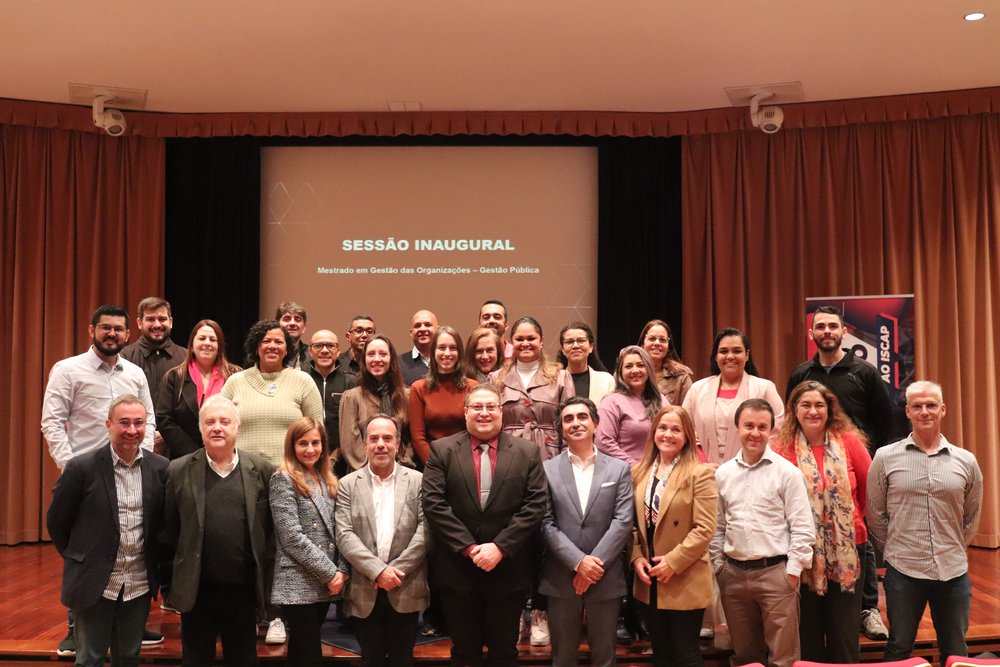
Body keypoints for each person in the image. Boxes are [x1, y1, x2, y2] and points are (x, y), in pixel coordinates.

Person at [40, 304, 159, 656]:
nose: (112, 334)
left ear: (127, 334)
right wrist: (73, 468)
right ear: (91, 330)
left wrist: (145, 460)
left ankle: (126, 622)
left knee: (130, 543)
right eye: (105, 327)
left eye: (119, 329)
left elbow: (148, 420)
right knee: (84, 550)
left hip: (130, 470)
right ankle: (77, 630)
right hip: (87, 479)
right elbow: (52, 421)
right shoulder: (67, 369)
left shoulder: (135, 374)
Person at [784, 305, 892, 641]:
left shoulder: (865, 372)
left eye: (833, 326)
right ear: (811, 333)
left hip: (851, 471)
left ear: (844, 331)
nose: (827, 331)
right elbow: (792, 420)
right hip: (808, 476)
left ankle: (868, 609)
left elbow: (884, 419)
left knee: (864, 546)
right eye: (820, 326)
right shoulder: (802, 374)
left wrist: (859, 462)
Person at [421, 384, 548, 666]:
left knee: (504, 653)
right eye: (477, 407)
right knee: (465, 654)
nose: (484, 413)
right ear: (465, 412)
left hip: (508, 571)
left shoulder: (526, 452)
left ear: (500, 412)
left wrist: (500, 547)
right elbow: (433, 503)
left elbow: (536, 504)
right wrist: (468, 547)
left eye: (491, 406)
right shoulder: (442, 451)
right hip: (458, 572)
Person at [46, 395, 169, 667]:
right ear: (108, 424)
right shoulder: (82, 467)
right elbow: (57, 521)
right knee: (90, 658)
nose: (131, 430)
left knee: (128, 657)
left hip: (137, 582)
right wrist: (80, 556)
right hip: (95, 581)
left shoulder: (160, 469)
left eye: (139, 423)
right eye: (123, 422)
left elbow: (162, 524)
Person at [867, 380, 983, 663]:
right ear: (907, 411)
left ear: (942, 410)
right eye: (917, 406)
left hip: (952, 571)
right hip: (904, 570)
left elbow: (972, 516)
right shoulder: (885, 458)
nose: (925, 411)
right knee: (899, 647)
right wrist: (896, 546)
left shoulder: (966, 461)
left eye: (931, 405)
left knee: (956, 651)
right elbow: (875, 513)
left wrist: (953, 545)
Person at [161, 395, 276, 667]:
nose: (217, 428)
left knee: (243, 660)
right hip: (197, 591)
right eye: (209, 422)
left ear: (237, 428)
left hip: (243, 590)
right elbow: (168, 531)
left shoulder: (261, 470)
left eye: (225, 422)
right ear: (200, 429)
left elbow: (271, 531)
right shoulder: (178, 470)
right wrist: (171, 586)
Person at [709, 399, 815, 667]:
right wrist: (720, 567)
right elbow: (717, 527)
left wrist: (791, 572)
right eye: (748, 425)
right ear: (737, 427)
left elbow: (803, 527)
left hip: (776, 576)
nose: (754, 432)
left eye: (762, 426)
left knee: (783, 659)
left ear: (771, 430)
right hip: (733, 577)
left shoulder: (787, 473)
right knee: (745, 658)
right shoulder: (723, 474)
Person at [771, 381, 871, 662]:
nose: (813, 411)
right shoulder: (781, 449)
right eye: (806, 405)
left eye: (819, 405)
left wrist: (848, 523)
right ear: (794, 409)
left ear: (829, 409)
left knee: (844, 633)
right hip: (802, 553)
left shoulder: (850, 442)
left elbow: (869, 489)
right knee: (808, 632)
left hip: (848, 550)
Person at [540, 397, 633, 667]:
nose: (575, 423)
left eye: (582, 417)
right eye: (568, 419)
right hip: (561, 577)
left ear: (596, 424)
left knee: (605, 659)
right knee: (563, 659)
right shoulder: (546, 470)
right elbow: (544, 522)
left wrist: (592, 568)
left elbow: (623, 521)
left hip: (606, 577)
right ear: (561, 429)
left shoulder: (619, 469)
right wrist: (578, 563)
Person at [336, 414, 429, 667]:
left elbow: (426, 530)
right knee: (371, 659)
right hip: (365, 590)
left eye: (387, 438)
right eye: (374, 438)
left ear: (398, 444)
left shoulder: (418, 481)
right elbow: (344, 534)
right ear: (364, 444)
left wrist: (396, 572)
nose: (380, 444)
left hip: (406, 585)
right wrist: (378, 572)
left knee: (403, 660)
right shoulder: (347, 485)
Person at [631, 406, 717, 667]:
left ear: (687, 436)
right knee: (662, 654)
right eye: (663, 428)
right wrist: (636, 558)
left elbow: (704, 529)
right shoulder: (639, 472)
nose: (668, 434)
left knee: (686, 654)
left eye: (676, 429)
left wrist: (673, 562)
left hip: (684, 574)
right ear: (654, 432)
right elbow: (632, 524)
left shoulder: (699, 473)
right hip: (650, 578)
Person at [270, 418, 349, 667]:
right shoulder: (283, 479)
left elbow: (341, 531)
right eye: (303, 443)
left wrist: (343, 572)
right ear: (291, 446)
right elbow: (291, 537)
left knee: (301, 653)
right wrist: (330, 573)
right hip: (299, 581)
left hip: (325, 584)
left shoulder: (328, 480)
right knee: (310, 653)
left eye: (315, 443)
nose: (310, 449)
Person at [220, 319, 324, 466]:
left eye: (279, 342)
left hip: (291, 474)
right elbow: (219, 427)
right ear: (256, 347)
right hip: (242, 473)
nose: (272, 346)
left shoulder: (303, 381)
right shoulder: (235, 382)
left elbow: (317, 432)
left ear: (287, 349)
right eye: (266, 341)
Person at [682, 327, 784, 465]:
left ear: (747, 355)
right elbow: (685, 431)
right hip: (705, 474)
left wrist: (752, 464)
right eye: (723, 351)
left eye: (737, 351)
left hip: (753, 471)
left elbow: (777, 435)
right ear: (716, 356)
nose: (730, 356)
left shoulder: (765, 388)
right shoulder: (697, 390)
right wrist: (702, 464)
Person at [156, 319, 241, 459]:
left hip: (227, 456)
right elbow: (164, 419)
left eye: (212, 339)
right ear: (191, 345)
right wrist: (196, 455)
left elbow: (240, 416)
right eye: (202, 338)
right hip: (184, 458)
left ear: (219, 346)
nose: (207, 343)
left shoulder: (236, 375)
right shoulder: (174, 377)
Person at [121, 297, 187, 452]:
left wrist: (166, 434)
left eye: (162, 319)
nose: (157, 324)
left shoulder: (186, 358)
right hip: (133, 442)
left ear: (170, 321)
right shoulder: (124, 357)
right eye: (150, 319)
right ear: (139, 323)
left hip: (178, 446)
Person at [409, 326, 479, 466]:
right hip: (432, 464)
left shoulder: (473, 387)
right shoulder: (418, 388)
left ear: (459, 352)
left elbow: (477, 432)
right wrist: (436, 466)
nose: (447, 353)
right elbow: (418, 438)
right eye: (441, 348)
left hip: (467, 463)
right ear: (433, 351)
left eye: (453, 348)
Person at [339, 335, 410, 472]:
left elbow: (411, 439)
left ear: (392, 359)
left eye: (383, 354)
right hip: (362, 475)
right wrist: (374, 471)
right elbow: (350, 444)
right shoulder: (352, 397)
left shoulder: (406, 396)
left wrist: (399, 467)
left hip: (401, 472)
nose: (377, 359)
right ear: (364, 360)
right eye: (371, 354)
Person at [596, 346, 668, 466]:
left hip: (660, 473)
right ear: (620, 372)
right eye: (629, 366)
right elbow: (603, 442)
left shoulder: (661, 400)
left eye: (640, 365)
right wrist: (635, 466)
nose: (635, 370)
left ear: (649, 369)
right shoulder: (611, 402)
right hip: (626, 475)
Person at [305, 329, 356, 474]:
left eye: (330, 346)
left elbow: (354, 425)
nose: (325, 350)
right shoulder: (302, 379)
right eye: (318, 346)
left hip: (343, 461)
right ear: (310, 351)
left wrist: (336, 455)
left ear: (338, 350)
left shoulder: (351, 381)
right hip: (307, 457)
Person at [556, 322, 615, 405]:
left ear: (591, 347)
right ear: (563, 350)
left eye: (581, 340)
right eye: (569, 342)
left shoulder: (606, 381)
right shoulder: (554, 381)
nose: (575, 346)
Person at [638, 319, 693, 406]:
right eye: (652, 339)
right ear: (642, 345)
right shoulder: (629, 372)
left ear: (668, 348)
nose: (657, 343)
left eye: (662, 340)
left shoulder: (681, 377)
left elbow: (686, 414)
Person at [398, 310, 439, 386]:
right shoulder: (398, 363)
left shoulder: (447, 361)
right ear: (411, 333)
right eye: (417, 326)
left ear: (438, 330)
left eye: (428, 325)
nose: (422, 329)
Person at [275, 301, 310, 370]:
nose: (292, 323)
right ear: (277, 325)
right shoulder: (266, 352)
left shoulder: (312, 355)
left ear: (304, 328)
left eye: (298, 319)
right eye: (287, 319)